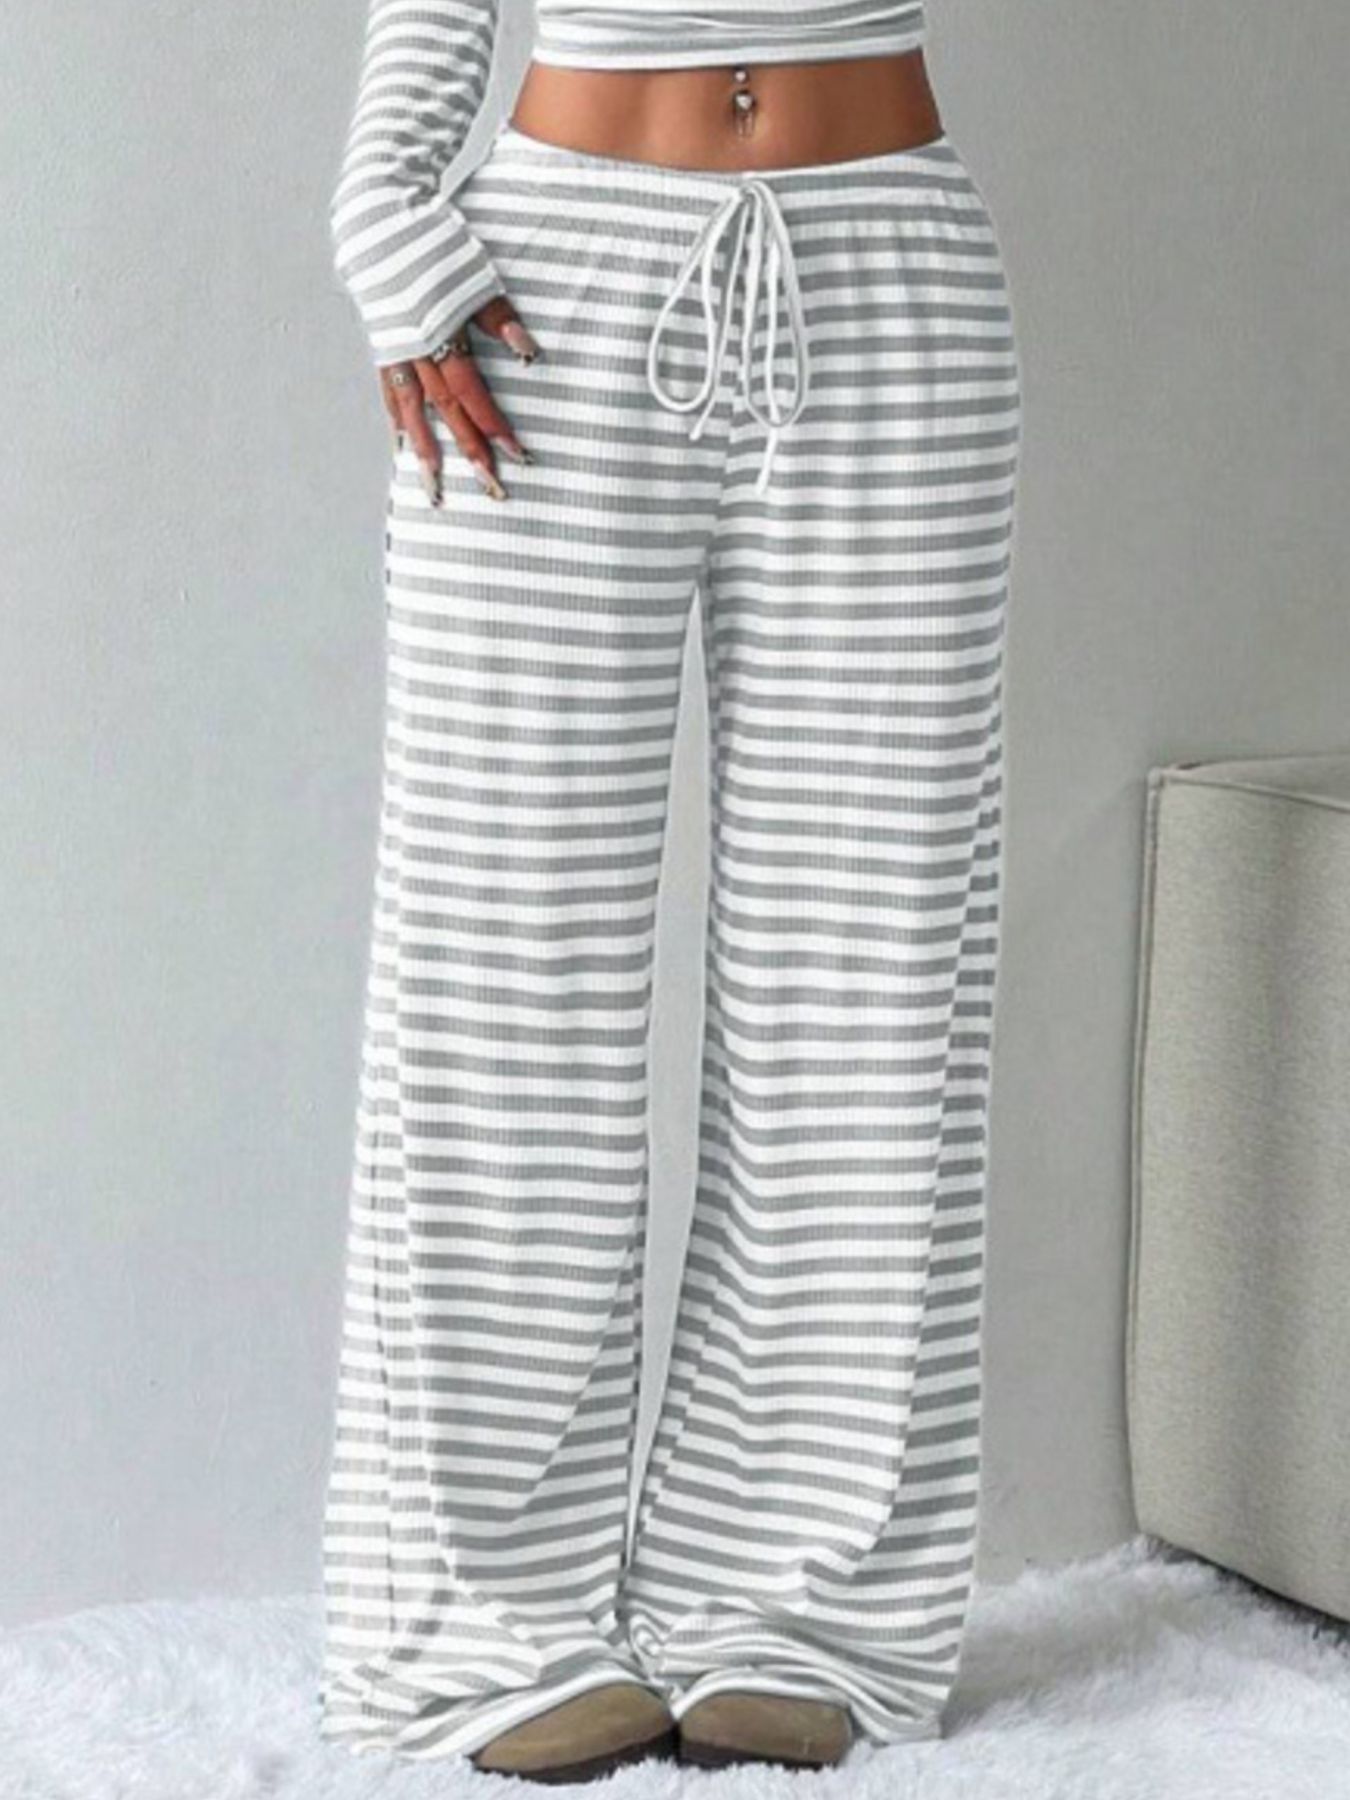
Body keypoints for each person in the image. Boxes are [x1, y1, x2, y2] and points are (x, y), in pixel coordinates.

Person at [318, 0, 1022, 1782]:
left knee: (867, 972)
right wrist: (384, 210)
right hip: (540, 288)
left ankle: (797, 1599)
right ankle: (476, 1620)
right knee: (503, 968)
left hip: (893, 273)